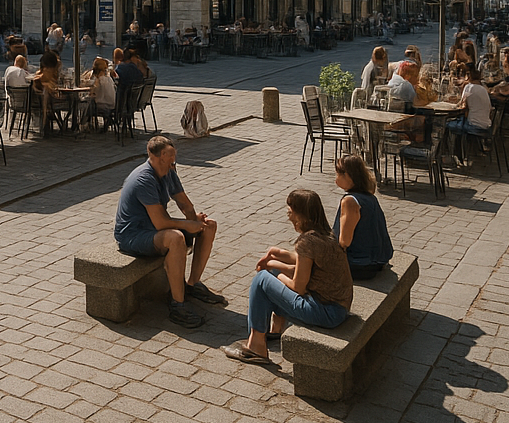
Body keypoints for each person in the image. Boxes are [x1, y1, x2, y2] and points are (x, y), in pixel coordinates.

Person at [223, 189, 352, 364]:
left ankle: (256, 347)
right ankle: (275, 330)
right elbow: (303, 263)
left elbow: (298, 286)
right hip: (338, 309)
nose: (289, 217)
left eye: (290, 212)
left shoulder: (306, 242)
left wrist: (276, 275)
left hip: (325, 313)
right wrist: (275, 256)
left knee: (262, 280)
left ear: (301, 215)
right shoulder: (326, 236)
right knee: (271, 274)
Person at [114, 135, 225, 328]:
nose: (174, 162)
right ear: (159, 157)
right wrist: (187, 225)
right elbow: (160, 223)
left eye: (174, 158)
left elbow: (184, 203)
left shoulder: (168, 170)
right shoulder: (144, 179)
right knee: (175, 238)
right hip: (133, 235)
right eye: (170, 158)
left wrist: (195, 221)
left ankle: (192, 285)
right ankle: (178, 305)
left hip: (153, 229)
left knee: (209, 226)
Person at [333, 153, 393, 281]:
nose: (335, 179)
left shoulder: (349, 201)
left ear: (347, 175)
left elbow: (344, 241)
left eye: (338, 174)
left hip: (359, 264)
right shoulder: (370, 197)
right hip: (378, 259)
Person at [448, 63, 493, 137]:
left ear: (467, 77)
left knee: (447, 125)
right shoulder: (483, 89)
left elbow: (462, 106)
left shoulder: (469, 87)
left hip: (473, 126)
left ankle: (452, 147)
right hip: (487, 125)